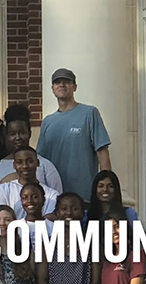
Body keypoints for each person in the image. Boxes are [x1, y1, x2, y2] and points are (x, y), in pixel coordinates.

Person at [36, 68, 111, 202]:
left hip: (85, 197)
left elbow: (102, 151)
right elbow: (41, 162)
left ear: (74, 87)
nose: (62, 85)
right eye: (57, 82)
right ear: (52, 89)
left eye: (66, 81)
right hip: (55, 199)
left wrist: (108, 186)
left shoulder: (89, 113)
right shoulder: (47, 122)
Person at [0, 104, 62, 192]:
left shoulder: (46, 166)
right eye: (12, 134)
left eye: (22, 133)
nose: (18, 138)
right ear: (6, 136)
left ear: (30, 133)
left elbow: (56, 199)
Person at [0, 146, 58, 219]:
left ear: (37, 163)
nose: (25, 166)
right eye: (19, 162)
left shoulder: (51, 195)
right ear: (14, 165)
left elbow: (49, 223)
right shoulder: (2, 190)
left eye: (30, 161)